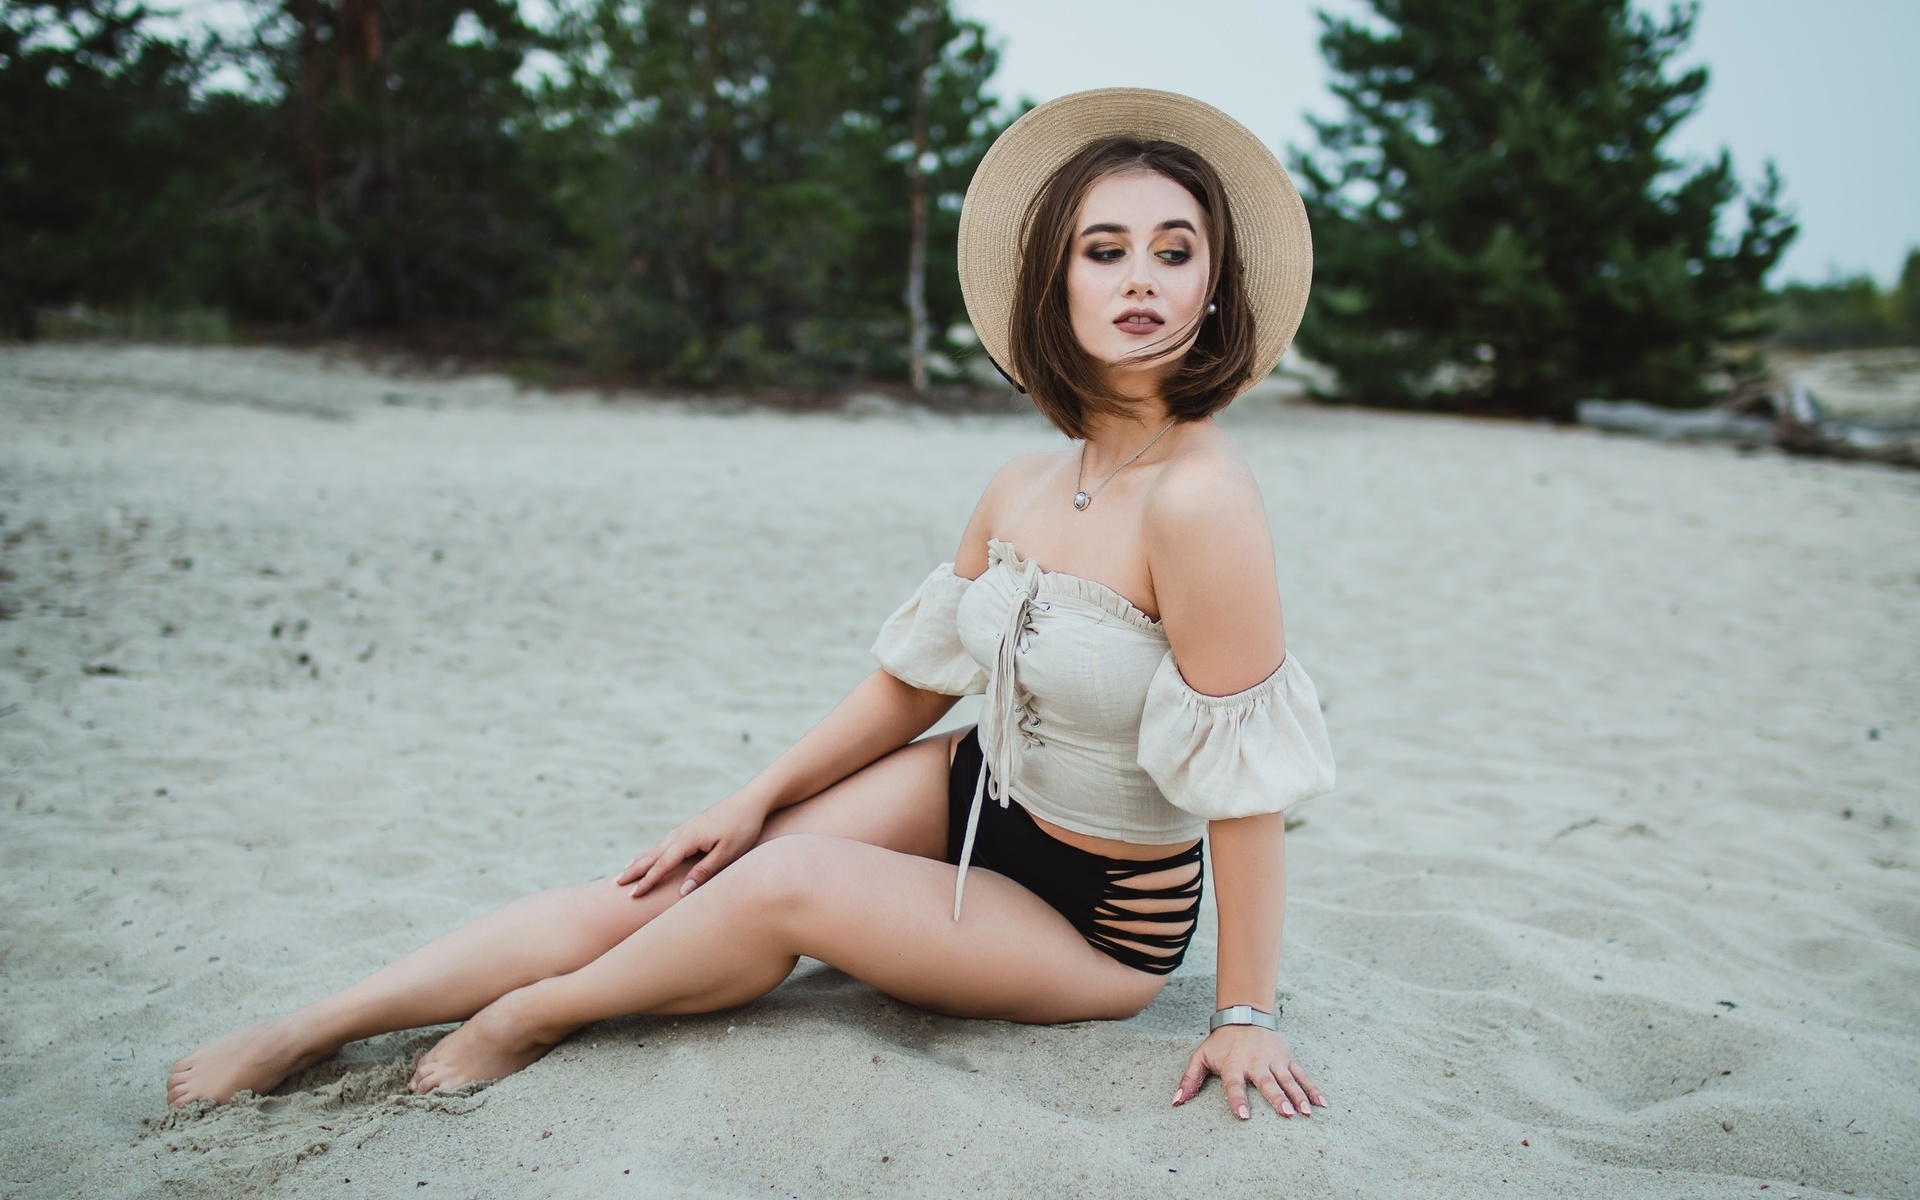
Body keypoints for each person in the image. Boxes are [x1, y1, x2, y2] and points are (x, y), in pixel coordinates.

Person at [166, 88, 1337, 1123]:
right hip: (976, 789)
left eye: (1175, 251)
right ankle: (315, 1026)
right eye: (1104, 248)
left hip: (1100, 910)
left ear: (1215, 286)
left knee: (781, 890)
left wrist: (1243, 1010)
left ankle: (541, 1014)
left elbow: (1247, 787)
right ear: (1056, 280)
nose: (1140, 277)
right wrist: (754, 794)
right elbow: (914, 682)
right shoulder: (1022, 482)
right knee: (684, 876)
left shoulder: (1203, 502)